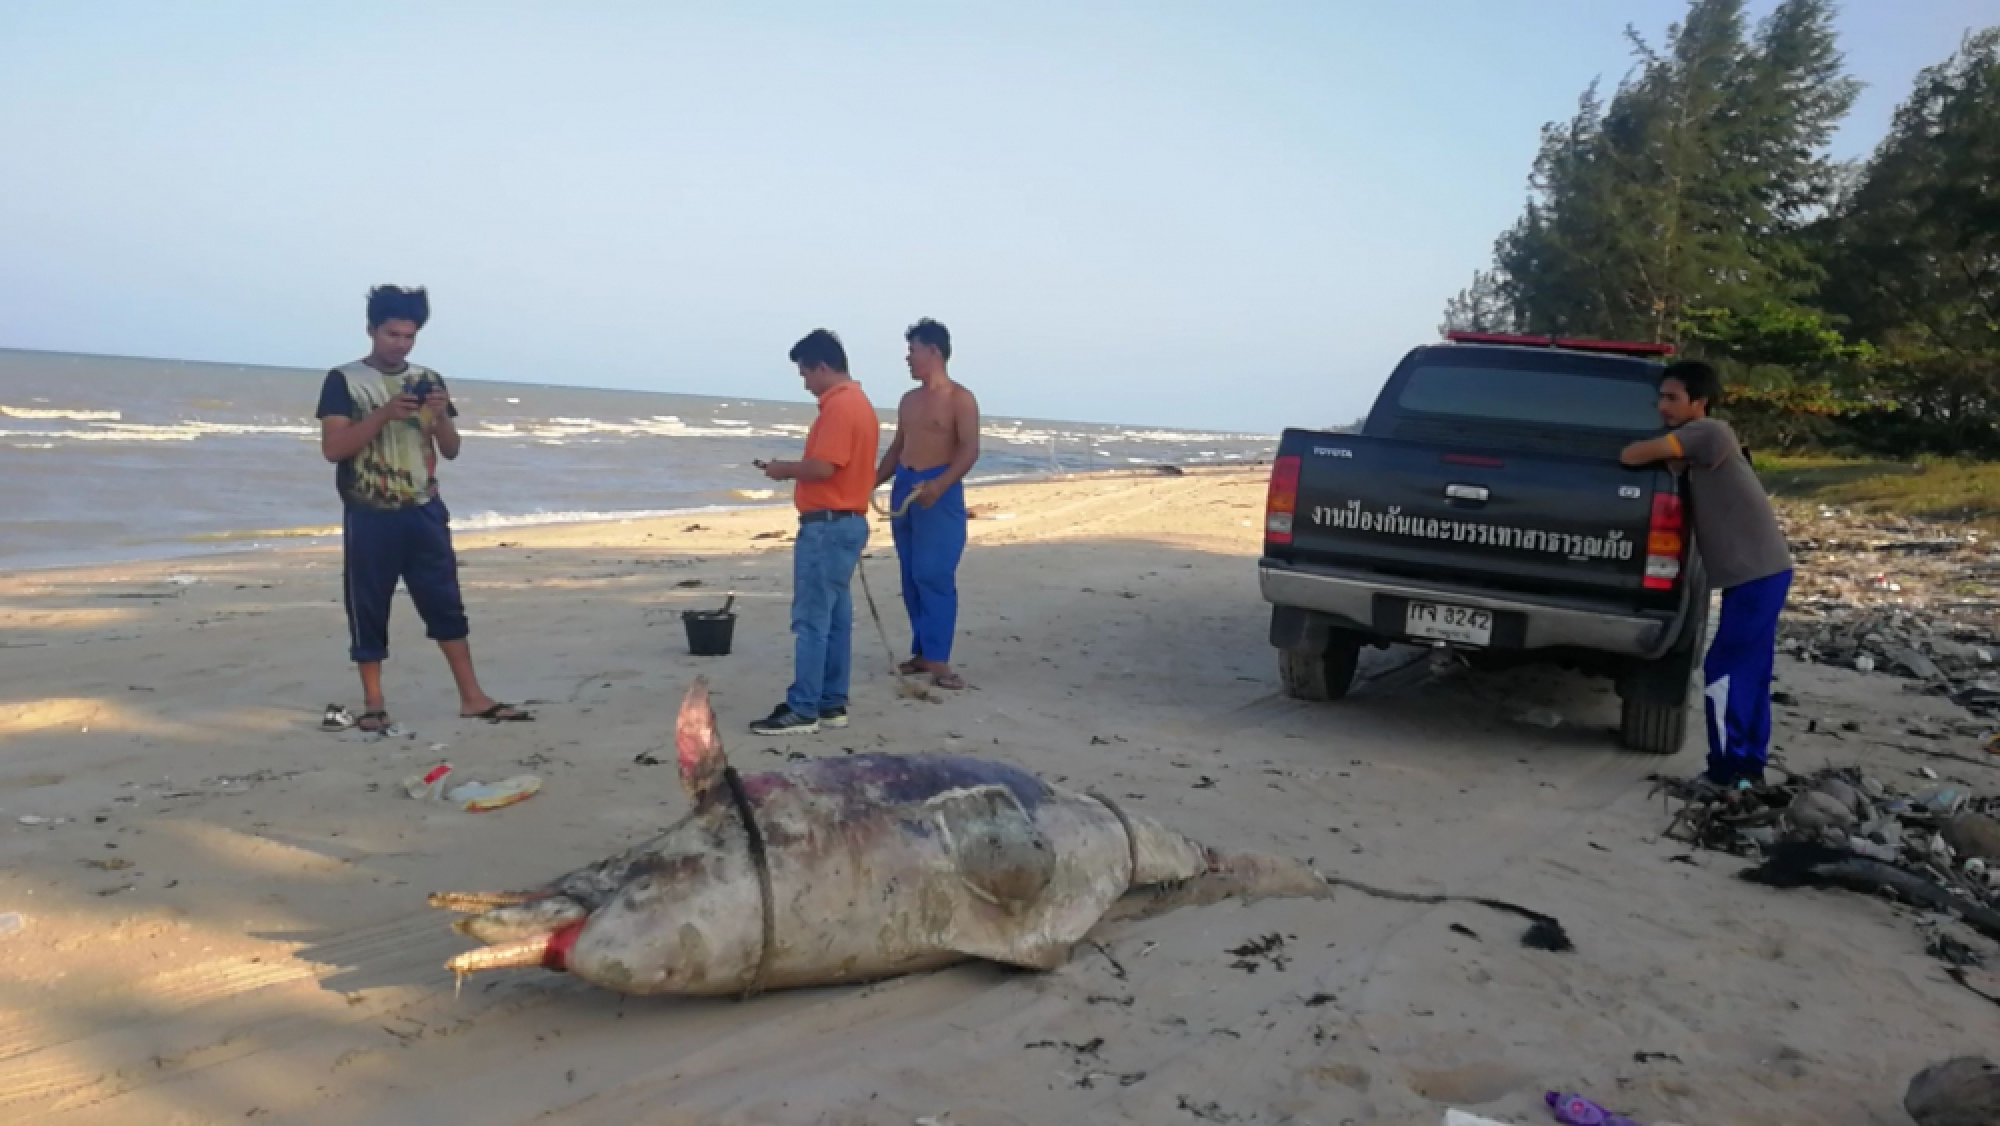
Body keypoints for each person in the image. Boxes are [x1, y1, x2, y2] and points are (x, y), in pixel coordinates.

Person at [314, 285, 532, 733]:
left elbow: (450, 450)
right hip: (369, 511)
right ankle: (374, 704)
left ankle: (472, 697)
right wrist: (383, 415)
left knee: (445, 604)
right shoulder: (344, 381)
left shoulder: (430, 379)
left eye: (410, 336)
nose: (401, 344)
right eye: (393, 334)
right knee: (369, 607)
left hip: (424, 509)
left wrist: (441, 417)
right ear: (372, 330)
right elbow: (334, 449)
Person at [1619, 360, 1792, 787]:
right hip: (1762, 573)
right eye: (1660, 397)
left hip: (1755, 575)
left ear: (1700, 402)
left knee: (1725, 668)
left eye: (1672, 398)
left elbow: (1633, 454)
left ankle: (1726, 769)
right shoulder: (1699, 444)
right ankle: (1747, 767)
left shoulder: (1709, 432)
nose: (1662, 406)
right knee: (1750, 670)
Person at [750, 328, 882, 735]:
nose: (805, 383)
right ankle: (830, 702)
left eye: (806, 373)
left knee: (811, 619)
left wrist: (783, 470)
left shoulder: (840, 408)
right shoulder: (859, 404)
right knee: (835, 618)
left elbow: (825, 466)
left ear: (822, 367)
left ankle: (804, 707)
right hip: (845, 523)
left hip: (828, 525)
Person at [874, 317, 981, 691]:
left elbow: (969, 450)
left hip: (940, 488)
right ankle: (921, 651)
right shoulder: (909, 401)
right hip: (905, 483)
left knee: (934, 573)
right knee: (911, 574)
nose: (908, 359)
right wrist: (870, 482)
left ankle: (939, 658)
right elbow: (897, 448)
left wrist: (941, 483)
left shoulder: (960, 399)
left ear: (933, 351)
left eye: (913, 350)